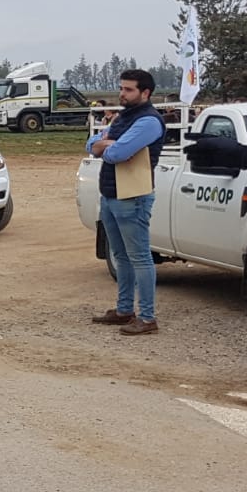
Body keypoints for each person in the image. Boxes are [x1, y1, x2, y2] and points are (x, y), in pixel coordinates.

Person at [86, 69, 166, 335]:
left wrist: (107, 144)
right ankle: (124, 310)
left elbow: (117, 153)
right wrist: (108, 143)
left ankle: (147, 317)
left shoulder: (149, 121)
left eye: (129, 89)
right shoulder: (124, 117)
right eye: (122, 88)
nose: (122, 93)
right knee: (121, 256)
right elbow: (91, 144)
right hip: (111, 194)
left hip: (132, 197)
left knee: (140, 257)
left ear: (145, 93)